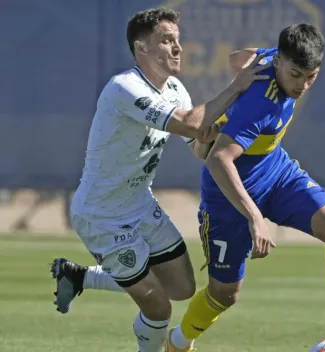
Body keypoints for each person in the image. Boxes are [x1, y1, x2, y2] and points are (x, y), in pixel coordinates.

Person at [50, 7, 269, 352]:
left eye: (177, 40)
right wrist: (236, 86)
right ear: (141, 48)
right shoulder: (125, 88)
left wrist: (230, 131)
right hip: (102, 215)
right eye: (166, 40)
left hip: (139, 205)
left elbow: (198, 144)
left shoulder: (175, 90)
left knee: (182, 288)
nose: (177, 48)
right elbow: (190, 123)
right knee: (158, 307)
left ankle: (78, 275)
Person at [164, 24, 325, 352]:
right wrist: (256, 218)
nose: (302, 85)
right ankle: (178, 342)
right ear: (281, 62)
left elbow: (235, 58)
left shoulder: (272, 58)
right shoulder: (262, 102)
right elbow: (217, 161)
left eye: (310, 76)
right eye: (296, 75)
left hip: (276, 173)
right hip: (228, 197)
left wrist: (238, 83)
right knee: (224, 294)